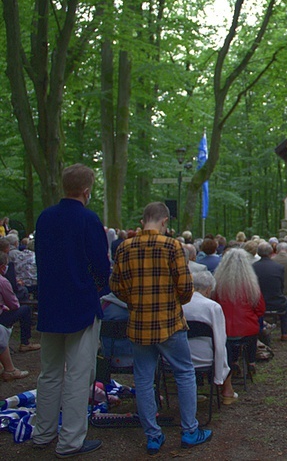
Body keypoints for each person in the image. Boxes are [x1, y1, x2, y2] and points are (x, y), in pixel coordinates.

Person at [110, 202, 211, 455]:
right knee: (184, 374)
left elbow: (115, 285)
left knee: (143, 380)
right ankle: (189, 431)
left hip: (139, 324)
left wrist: (134, 300)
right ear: (165, 221)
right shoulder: (173, 247)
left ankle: (153, 436)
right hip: (169, 323)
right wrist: (171, 301)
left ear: (144, 220)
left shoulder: (125, 248)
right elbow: (186, 289)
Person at [32, 163, 111, 457]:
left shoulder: (45, 218)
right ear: (87, 191)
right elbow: (101, 265)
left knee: (49, 373)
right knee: (79, 374)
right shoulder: (88, 220)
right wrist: (98, 288)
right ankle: (71, 441)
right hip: (80, 304)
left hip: (51, 304)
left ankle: (43, 433)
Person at [182, 270, 236, 405]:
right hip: (205, 357)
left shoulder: (179, 304)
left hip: (178, 356)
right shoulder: (212, 307)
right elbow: (220, 341)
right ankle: (227, 389)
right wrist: (219, 374)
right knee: (225, 346)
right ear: (208, 289)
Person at [213, 247, 266, 375]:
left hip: (223, 329)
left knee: (231, 338)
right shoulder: (251, 287)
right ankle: (251, 362)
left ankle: (233, 362)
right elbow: (260, 309)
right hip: (246, 328)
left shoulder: (217, 286)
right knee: (251, 333)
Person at [0, 252, 39, 352]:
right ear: (3, 267)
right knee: (25, 309)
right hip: (1, 317)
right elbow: (14, 305)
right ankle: (25, 343)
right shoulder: (3, 282)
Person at [253, 241, 287, 340]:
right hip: (276, 301)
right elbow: (281, 286)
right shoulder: (279, 267)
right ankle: (284, 332)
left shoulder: (253, 267)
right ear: (271, 252)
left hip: (257, 302)